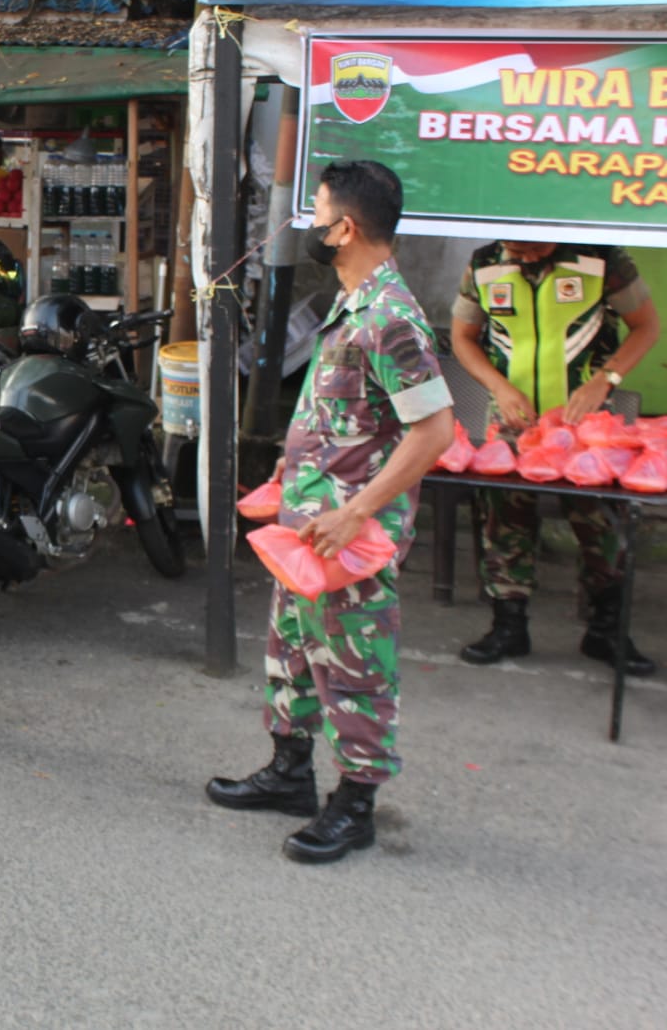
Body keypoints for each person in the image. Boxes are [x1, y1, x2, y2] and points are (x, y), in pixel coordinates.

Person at [205, 160, 455, 864]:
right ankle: (288, 773)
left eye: (314, 213)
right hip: (305, 529)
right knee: (291, 653)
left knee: (353, 667)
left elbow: (432, 431)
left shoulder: (389, 318)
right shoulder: (350, 307)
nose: (308, 225)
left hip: (349, 537)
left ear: (343, 228)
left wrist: (357, 511)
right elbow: (347, 416)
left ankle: (354, 804)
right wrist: (293, 470)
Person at [449, 239, 661, 676]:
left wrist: (606, 380)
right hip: (513, 423)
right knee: (503, 522)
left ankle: (606, 630)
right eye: (514, 245)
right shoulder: (484, 263)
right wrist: (498, 387)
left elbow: (646, 325)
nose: (522, 253)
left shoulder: (601, 258)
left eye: (530, 245)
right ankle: (509, 626)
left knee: (600, 523)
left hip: (585, 425)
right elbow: (463, 338)